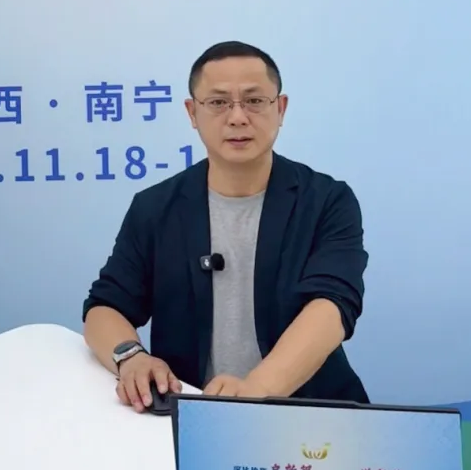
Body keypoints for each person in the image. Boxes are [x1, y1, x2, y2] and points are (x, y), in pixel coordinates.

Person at [82, 41, 367, 410]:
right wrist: (131, 357)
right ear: (192, 112)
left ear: (280, 108)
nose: (237, 117)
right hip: (194, 414)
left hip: (311, 416)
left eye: (254, 100)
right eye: (218, 102)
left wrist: (257, 389)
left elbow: (331, 306)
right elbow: (105, 307)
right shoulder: (155, 208)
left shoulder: (327, 201)